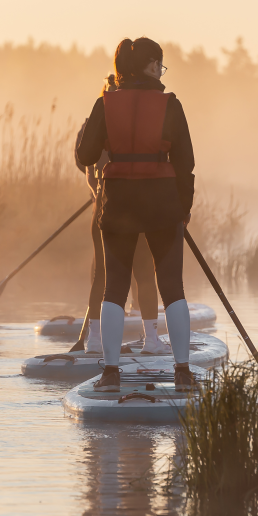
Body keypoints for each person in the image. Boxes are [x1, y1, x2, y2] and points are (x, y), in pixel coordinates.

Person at [75, 36, 196, 390]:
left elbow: (85, 155)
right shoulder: (170, 105)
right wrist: (183, 209)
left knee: (115, 286)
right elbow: (186, 163)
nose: (161, 70)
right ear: (149, 66)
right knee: (173, 286)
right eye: (159, 63)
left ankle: (111, 374)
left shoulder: (104, 103)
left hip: (119, 204)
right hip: (162, 204)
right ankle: (183, 373)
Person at [77, 92, 171, 356]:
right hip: (134, 207)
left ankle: (96, 340)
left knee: (104, 275)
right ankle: (150, 340)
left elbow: (86, 164)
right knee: (143, 273)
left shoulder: (98, 118)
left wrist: (97, 193)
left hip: (104, 208)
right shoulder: (137, 120)